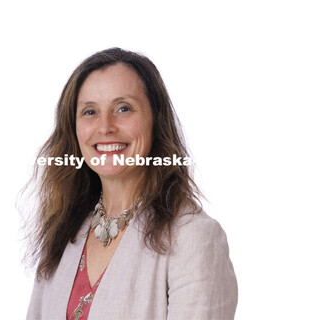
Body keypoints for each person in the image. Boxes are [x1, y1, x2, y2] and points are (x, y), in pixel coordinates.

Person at [22, 48, 238, 319]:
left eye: (123, 108)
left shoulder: (194, 237)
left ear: (156, 121)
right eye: (89, 112)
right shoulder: (64, 231)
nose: (105, 127)